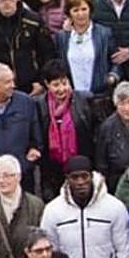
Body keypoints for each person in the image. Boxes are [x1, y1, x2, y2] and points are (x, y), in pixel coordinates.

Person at [0, 0, 56, 95]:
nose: (7, 3)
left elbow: (47, 53)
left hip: (32, 87)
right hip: (1, 88)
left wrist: (41, 82)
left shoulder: (34, 21)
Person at [35, 63, 95, 201]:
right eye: (56, 85)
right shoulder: (39, 105)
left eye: (64, 83)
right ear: (47, 84)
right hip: (52, 167)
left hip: (80, 162)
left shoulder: (85, 100)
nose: (61, 89)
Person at [55, 0, 121, 96]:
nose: (80, 14)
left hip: (100, 95)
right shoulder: (62, 37)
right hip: (73, 97)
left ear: (90, 9)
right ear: (69, 13)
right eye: (75, 10)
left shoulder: (104, 33)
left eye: (84, 9)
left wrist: (112, 77)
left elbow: (116, 60)